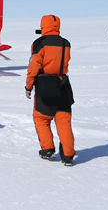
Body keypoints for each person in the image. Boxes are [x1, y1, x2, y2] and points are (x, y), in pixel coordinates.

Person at [25, 14, 76, 166]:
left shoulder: (39, 43)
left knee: (41, 119)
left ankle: (47, 149)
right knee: (64, 121)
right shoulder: (66, 43)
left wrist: (29, 86)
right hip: (64, 85)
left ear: (43, 26)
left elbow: (34, 66)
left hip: (45, 85)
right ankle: (68, 155)